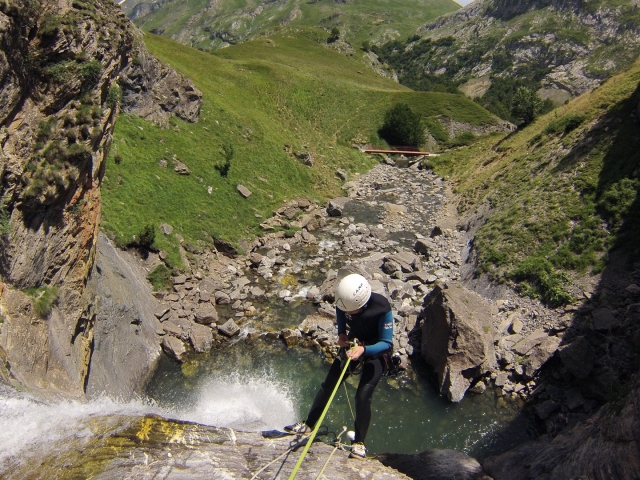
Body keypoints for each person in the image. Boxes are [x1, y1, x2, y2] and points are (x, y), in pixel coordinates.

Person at [284, 273, 394, 459]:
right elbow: (341, 311)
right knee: (328, 385)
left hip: (376, 351)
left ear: (361, 304)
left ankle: (359, 442)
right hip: (354, 345)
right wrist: (342, 333)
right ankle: (308, 425)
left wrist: (364, 350)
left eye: (351, 312)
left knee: (362, 396)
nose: (347, 314)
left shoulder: (382, 308)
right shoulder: (346, 302)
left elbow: (387, 343)